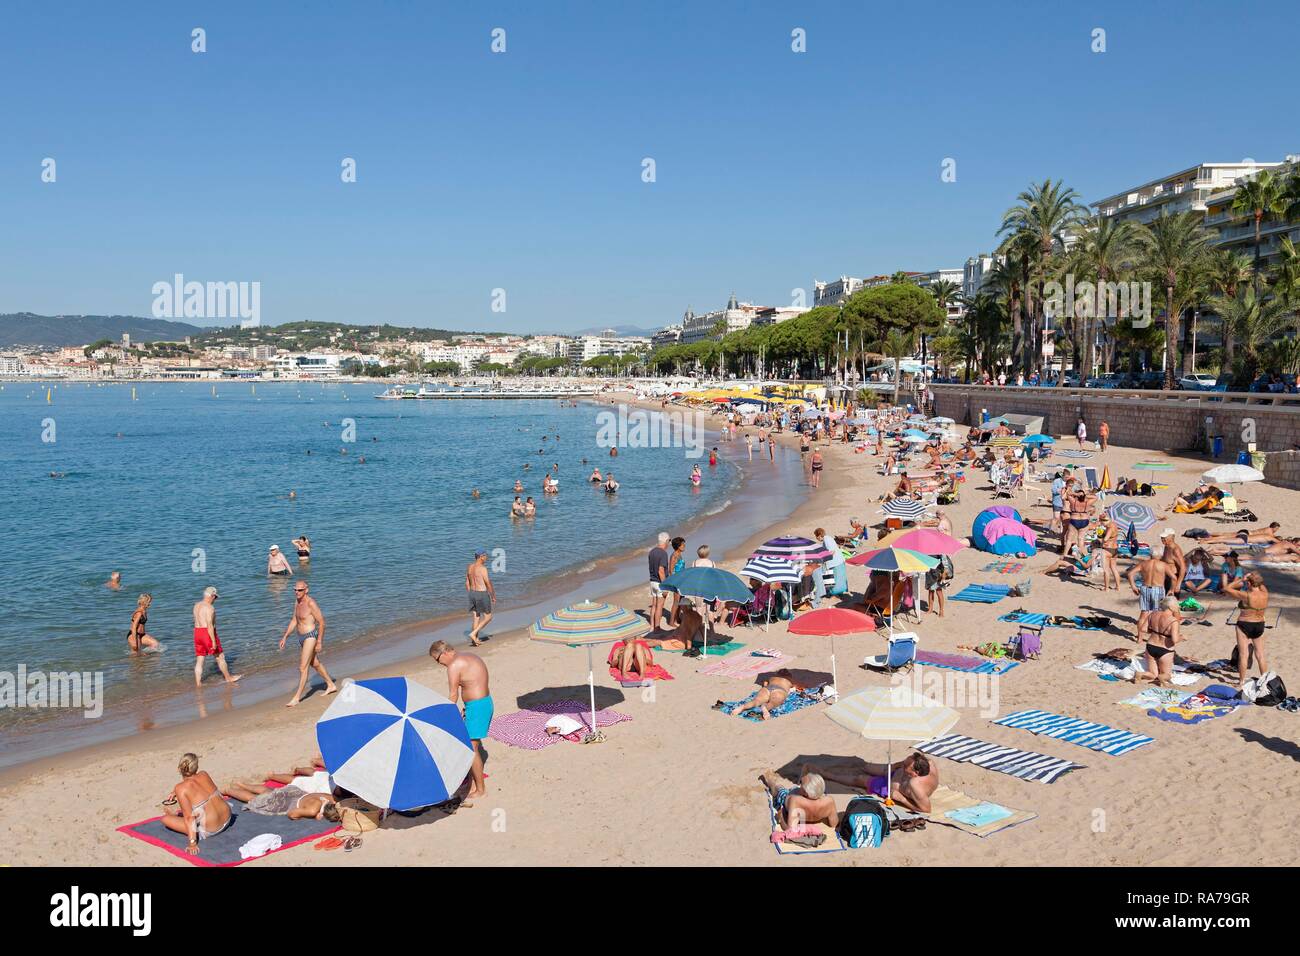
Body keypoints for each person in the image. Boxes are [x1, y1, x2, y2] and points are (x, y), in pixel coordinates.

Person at [429, 640, 491, 803]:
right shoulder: (468, 655)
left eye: (437, 660)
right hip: (482, 704)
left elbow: (453, 695)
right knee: (470, 745)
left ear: (444, 653)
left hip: (477, 707)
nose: (439, 664)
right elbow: (473, 683)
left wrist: (446, 716)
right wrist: (468, 708)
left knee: (470, 749)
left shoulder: (454, 665)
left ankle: (480, 790)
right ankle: (470, 784)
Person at [278, 581, 337, 706]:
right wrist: (285, 636)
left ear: (306, 590)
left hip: (311, 636)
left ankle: (297, 697)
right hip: (301, 637)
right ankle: (331, 685)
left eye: (299, 590)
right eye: (295, 590)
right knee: (314, 663)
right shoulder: (297, 602)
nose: (296, 592)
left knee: (302, 667)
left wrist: (319, 641)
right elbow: (294, 620)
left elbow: (322, 622)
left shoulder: (311, 603)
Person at [820, 753, 939, 814]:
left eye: (906, 765)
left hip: (889, 788)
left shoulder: (916, 786)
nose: (904, 764)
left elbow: (926, 810)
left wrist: (902, 800)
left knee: (859, 779)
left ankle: (829, 776)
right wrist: (897, 766)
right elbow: (904, 765)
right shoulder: (928, 762)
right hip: (896, 774)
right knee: (867, 767)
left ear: (915, 773)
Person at [161, 753, 231, 854]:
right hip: (227, 817)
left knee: (165, 819)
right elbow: (197, 788)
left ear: (179, 769)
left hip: (212, 828)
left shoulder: (180, 788)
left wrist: (192, 843)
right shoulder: (204, 774)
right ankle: (176, 815)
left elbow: (189, 818)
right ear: (196, 767)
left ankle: (174, 816)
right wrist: (176, 791)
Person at [1224, 572, 1270, 685]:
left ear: (1249, 583)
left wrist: (1242, 579)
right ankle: (1264, 680)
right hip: (1259, 625)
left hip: (1245, 624)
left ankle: (1241, 681)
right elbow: (1261, 583)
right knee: (1260, 654)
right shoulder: (1265, 593)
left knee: (1243, 654)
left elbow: (1227, 588)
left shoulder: (1246, 595)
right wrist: (1253, 577)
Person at [192, 586, 241, 686]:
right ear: (212, 596)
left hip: (197, 633)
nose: (215, 600)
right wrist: (213, 641)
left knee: (200, 659)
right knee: (220, 657)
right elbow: (209, 625)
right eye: (215, 597)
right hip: (207, 633)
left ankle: (198, 683)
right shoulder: (210, 608)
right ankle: (228, 678)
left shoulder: (196, 605)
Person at [760, 768, 838, 831]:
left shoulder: (796, 801)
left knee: (778, 788)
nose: (800, 785)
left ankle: (769, 781)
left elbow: (790, 830)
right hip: (812, 797)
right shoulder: (829, 801)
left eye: (801, 783)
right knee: (796, 788)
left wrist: (781, 817)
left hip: (786, 798)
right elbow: (834, 824)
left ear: (805, 793)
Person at [1134, 596, 1185, 687]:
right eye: (1176, 605)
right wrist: (1182, 638)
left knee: (1152, 674)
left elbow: (1143, 629)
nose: (1178, 607)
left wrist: (1154, 631)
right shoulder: (1173, 621)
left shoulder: (1153, 614)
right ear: (1171, 607)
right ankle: (1162, 678)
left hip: (1150, 646)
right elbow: (1175, 640)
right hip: (1165, 649)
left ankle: (1140, 674)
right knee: (1167, 674)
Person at [1126, 552, 1179, 639]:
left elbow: (1130, 573)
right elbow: (1174, 578)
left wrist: (1133, 586)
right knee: (1157, 614)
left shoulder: (1143, 563)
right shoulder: (1163, 565)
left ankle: (1140, 638)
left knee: (1144, 613)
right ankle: (1155, 636)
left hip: (1145, 589)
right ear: (1161, 555)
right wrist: (1171, 590)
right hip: (1157, 590)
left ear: (1151, 555)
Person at [717, 669, 799, 720]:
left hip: (767, 688)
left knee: (756, 701)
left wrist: (766, 687)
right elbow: (796, 687)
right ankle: (765, 707)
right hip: (779, 690)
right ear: (788, 675)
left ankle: (742, 707)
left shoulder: (772, 678)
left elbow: (765, 683)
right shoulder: (789, 680)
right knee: (774, 702)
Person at [465, 549, 496, 646]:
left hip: (472, 593)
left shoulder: (470, 567)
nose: (486, 558)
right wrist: (493, 595)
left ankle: (475, 640)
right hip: (481, 594)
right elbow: (487, 583)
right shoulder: (483, 569)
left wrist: (471, 593)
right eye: (485, 556)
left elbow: (467, 582)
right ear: (481, 556)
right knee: (488, 617)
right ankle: (474, 633)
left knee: (476, 617)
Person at [647, 532, 671, 629]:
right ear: (665, 541)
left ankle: (652, 625)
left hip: (652, 581)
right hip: (660, 582)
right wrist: (665, 586)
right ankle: (657, 628)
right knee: (659, 606)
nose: (669, 543)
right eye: (669, 541)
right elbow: (661, 570)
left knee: (654, 605)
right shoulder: (663, 553)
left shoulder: (651, 552)